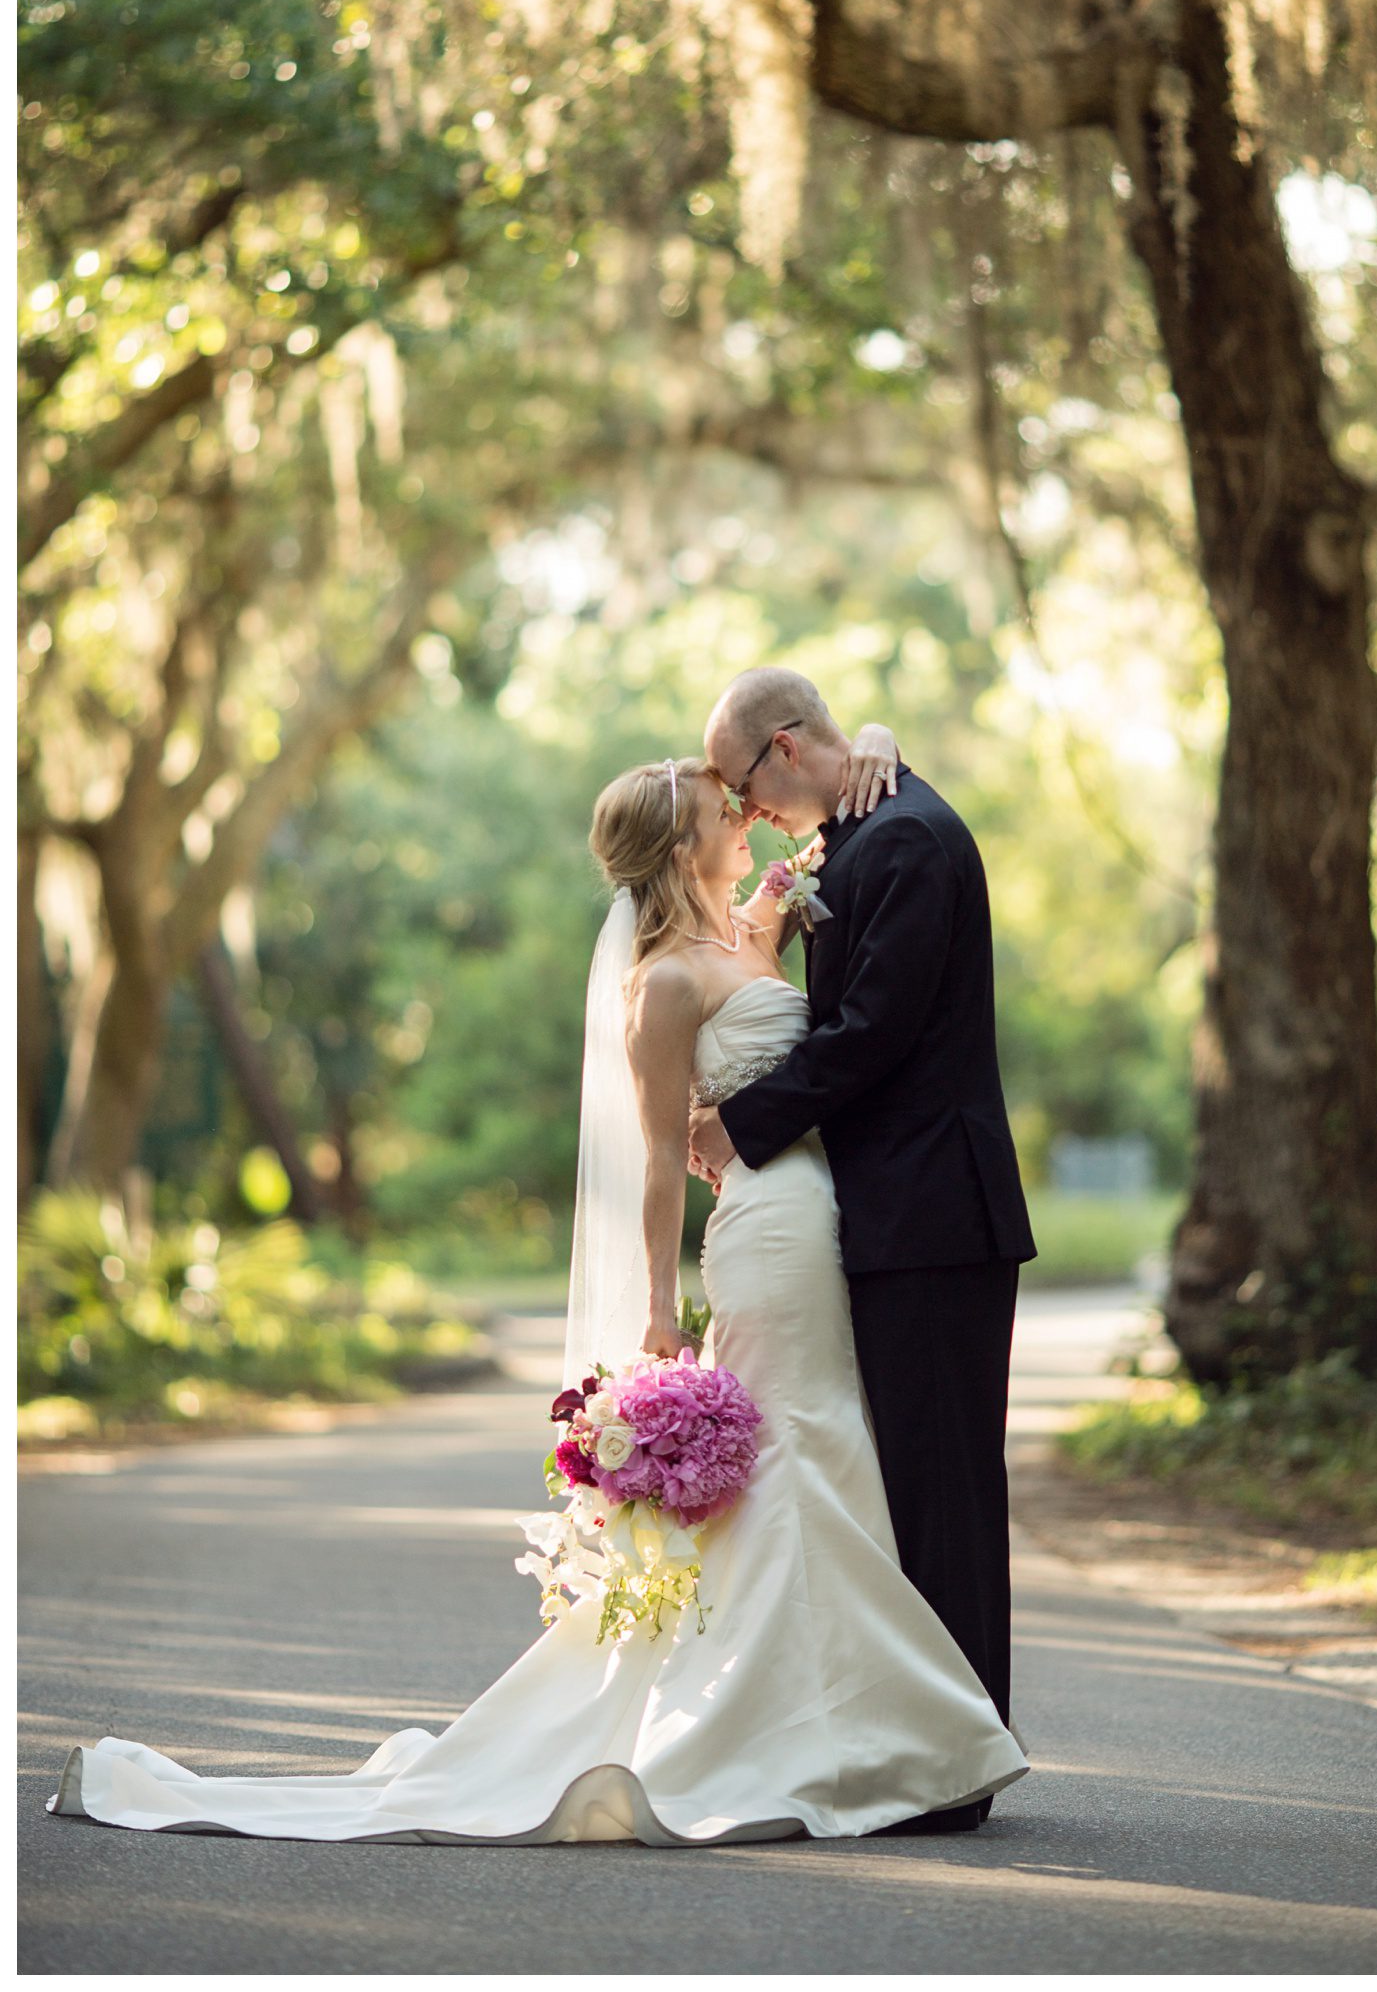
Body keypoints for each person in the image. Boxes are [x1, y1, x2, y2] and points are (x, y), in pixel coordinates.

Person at [48, 726, 1028, 1847]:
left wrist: (874, 741)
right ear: (682, 846)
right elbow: (658, 1160)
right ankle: (833, 1735)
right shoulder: (663, 984)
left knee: (833, 1449)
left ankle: (859, 1724)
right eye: (726, 810)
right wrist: (657, 1308)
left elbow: (845, 907)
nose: (748, 817)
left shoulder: (756, 925)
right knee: (800, 1451)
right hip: (767, 1229)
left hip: (829, 1219)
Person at [693, 669, 1036, 1827]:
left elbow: (872, 1033)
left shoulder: (906, 843)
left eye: (745, 784)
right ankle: (930, 1741)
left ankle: (961, 1761)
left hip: (937, 1215)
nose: (745, 812)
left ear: (787, 747)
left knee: (945, 1488)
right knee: (909, 1484)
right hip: (897, 1212)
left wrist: (740, 1124)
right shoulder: (862, 833)